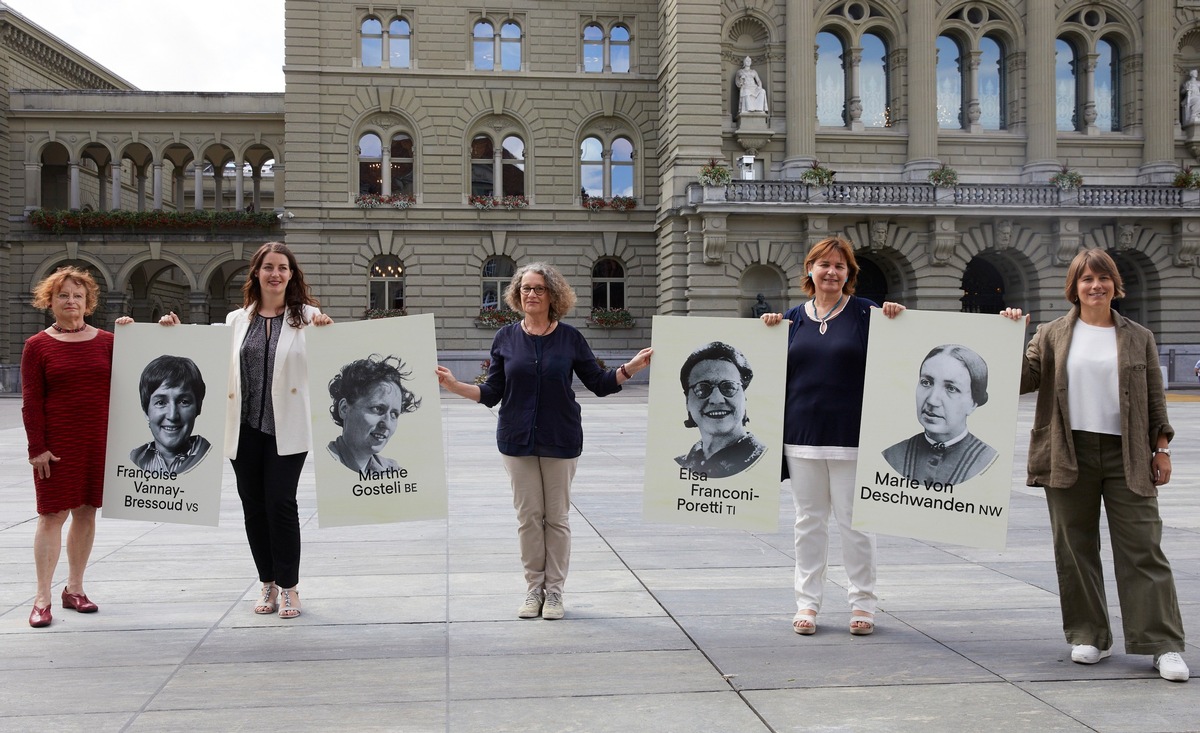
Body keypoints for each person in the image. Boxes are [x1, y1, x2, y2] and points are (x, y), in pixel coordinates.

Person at [1002, 248, 1188, 682]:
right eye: (1086, 279)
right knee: (1075, 548)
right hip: (1068, 450)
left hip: (1129, 453)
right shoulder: (1050, 335)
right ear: (1075, 286)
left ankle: (1162, 644)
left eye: (1103, 278)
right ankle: (1089, 634)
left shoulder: (1138, 335)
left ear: (1114, 284)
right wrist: (1010, 336)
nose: (1095, 286)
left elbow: (1155, 399)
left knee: (1143, 548)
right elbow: (1022, 382)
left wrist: (1161, 450)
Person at [437, 262, 652, 621]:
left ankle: (554, 593)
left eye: (538, 288)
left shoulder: (570, 338)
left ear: (553, 295)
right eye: (525, 289)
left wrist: (629, 368)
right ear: (517, 295)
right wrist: (454, 385)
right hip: (516, 438)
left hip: (560, 437)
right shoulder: (505, 337)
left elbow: (598, 383)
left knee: (557, 518)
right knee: (528, 518)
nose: (531, 294)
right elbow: (492, 392)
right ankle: (533, 589)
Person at [160, 242, 333, 619]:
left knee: (281, 504)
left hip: (287, 428)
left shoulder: (309, 317)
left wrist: (327, 334)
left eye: (283, 267)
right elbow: (203, 352)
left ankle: (289, 588)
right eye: (268, 267)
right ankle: (266, 582)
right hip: (243, 429)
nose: (275, 274)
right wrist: (170, 333)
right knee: (253, 507)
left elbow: (328, 365)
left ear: (291, 275)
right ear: (256, 273)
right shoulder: (236, 319)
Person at [761, 236, 904, 636]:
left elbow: (903, 354)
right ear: (810, 270)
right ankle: (807, 604)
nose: (831, 272)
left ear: (849, 274)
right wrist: (767, 333)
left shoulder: (866, 313)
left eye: (840, 266)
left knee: (856, 524)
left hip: (852, 437)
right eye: (824, 264)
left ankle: (863, 604)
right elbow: (770, 373)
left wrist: (897, 319)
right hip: (802, 437)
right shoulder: (792, 318)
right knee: (808, 523)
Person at [21, 266, 132, 628]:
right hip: (56, 445)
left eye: (78, 296)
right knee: (52, 515)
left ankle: (76, 588)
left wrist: (151, 331)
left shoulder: (108, 341)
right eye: (63, 295)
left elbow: (142, 375)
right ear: (49, 302)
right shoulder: (36, 346)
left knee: (86, 512)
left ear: (88, 303)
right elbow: (31, 401)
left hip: (97, 441)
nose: (71, 301)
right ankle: (42, 597)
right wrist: (37, 448)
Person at [881, 344, 998, 485]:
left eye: (951, 388)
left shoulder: (988, 461)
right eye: (926, 382)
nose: (932, 400)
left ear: (973, 403)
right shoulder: (892, 455)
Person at [674, 342, 767, 478]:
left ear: (745, 396)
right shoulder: (678, 466)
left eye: (729, 387)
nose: (717, 399)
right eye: (702, 388)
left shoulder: (765, 461)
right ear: (687, 400)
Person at [327, 354, 420, 474]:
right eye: (377, 409)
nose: (386, 424)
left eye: (394, 414)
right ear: (344, 408)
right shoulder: (324, 462)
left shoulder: (393, 471)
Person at [129, 355, 211, 474]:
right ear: (146, 411)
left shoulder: (210, 457)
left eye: (183, 402)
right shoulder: (133, 459)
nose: (172, 416)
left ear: (198, 407)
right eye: (161, 402)